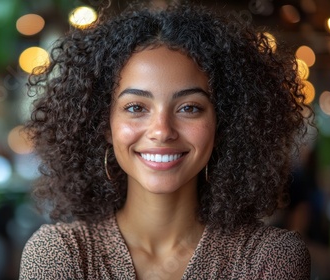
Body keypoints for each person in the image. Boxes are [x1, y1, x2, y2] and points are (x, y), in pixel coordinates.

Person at [20, 1, 312, 279]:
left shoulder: (270, 257)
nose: (161, 130)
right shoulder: (61, 253)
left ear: (223, 123)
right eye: (136, 108)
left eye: (189, 108)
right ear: (104, 125)